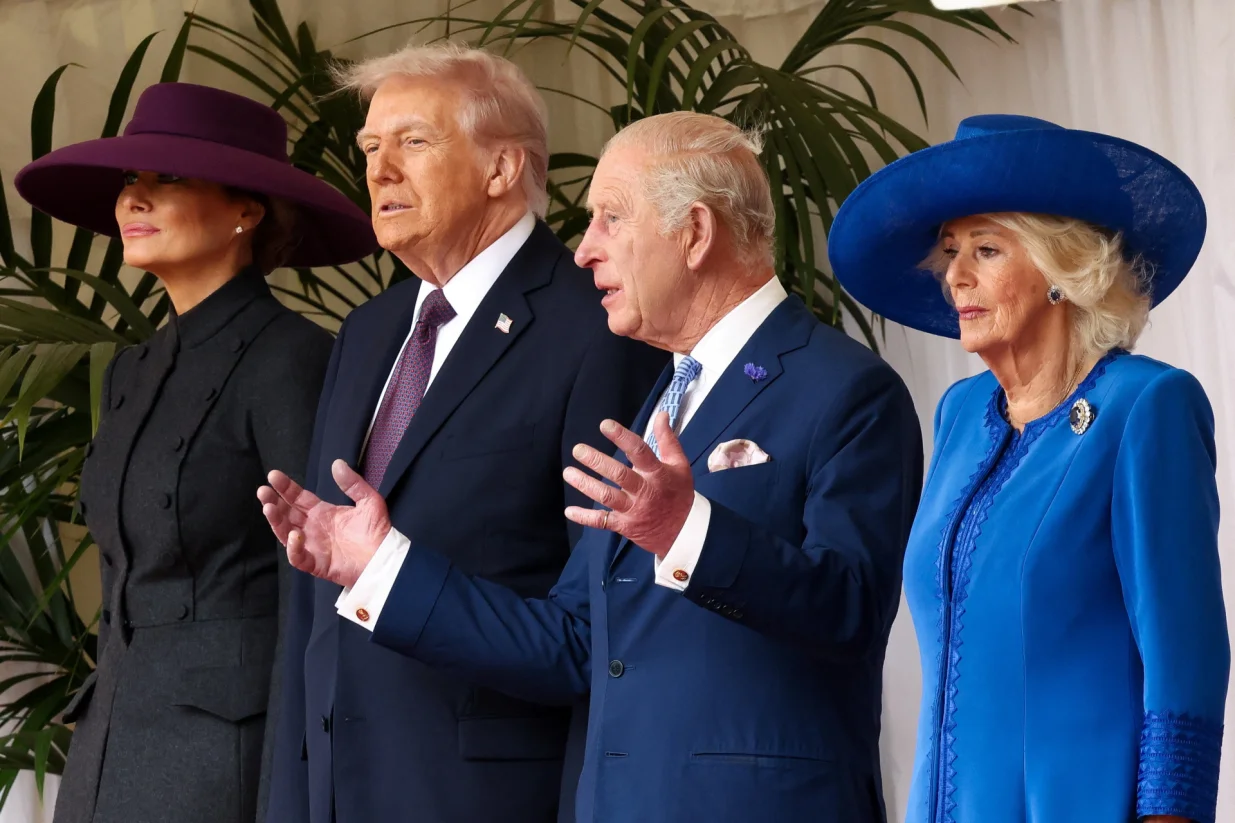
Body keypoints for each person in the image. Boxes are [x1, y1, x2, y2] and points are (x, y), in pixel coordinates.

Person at [259, 110, 924, 823]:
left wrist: (686, 531)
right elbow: (574, 642)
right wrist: (379, 564)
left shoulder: (846, 387)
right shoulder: (661, 403)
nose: (582, 251)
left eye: (610, 218)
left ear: (693, 234)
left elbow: (852, 608)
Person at [261, 43, 665, 823]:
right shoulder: (367, 330)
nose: (379, 171)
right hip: (338, 793)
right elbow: (313, 611)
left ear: (502, 168)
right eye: (371, 148)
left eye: (412, 142)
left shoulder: (598, 327)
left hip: (488, 795)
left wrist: (388, 568)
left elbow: (601, 632)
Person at [828, 113, 1230, 823]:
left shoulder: (1147, 406)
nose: (954, 275)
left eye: (985, 249)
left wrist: (1170, 813)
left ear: (1060, 269)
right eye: (950, 250)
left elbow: (1184, 656)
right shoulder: (960, 413)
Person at [13, 82, 377, 823]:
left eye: (166, 179)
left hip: (228, 757)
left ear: (247, 209)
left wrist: (291, 785)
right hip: (109, 738)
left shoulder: (291, 358)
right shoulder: (131, 370)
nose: (134, 199)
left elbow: (311, 590)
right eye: (129, 181)